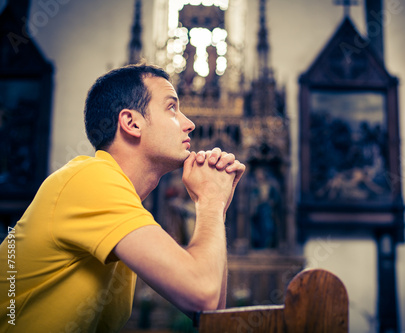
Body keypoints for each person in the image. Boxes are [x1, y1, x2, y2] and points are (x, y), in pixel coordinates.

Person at [0, 64, 245, 332]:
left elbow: (210, 310)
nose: (190, 124)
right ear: (131, 123)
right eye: (172, 108)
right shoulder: (91, 178)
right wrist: (210, 199)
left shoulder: (123, 200)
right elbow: (203, 295)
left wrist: (216, 205)